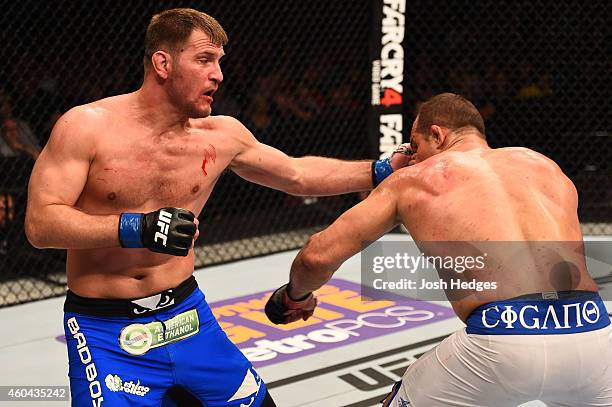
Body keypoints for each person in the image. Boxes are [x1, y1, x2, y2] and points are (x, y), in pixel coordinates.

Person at [24, 8, 410, 407]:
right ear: (163, 63)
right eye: (205, 60)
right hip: (105, 330)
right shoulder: (86, 127)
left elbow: (297, 174)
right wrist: (135, 227)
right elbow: (41, 223)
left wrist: (381, 170)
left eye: (220, 63)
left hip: (188, 317)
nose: (219, 76)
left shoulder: (221, 135)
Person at [265, 93, 612, 406]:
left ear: (438, 135)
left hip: (501, 341)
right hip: (593, 334)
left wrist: (295, 296)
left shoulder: (416, 178)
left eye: (414, 146)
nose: (412, 156)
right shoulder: (543, 166)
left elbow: (317, 255)